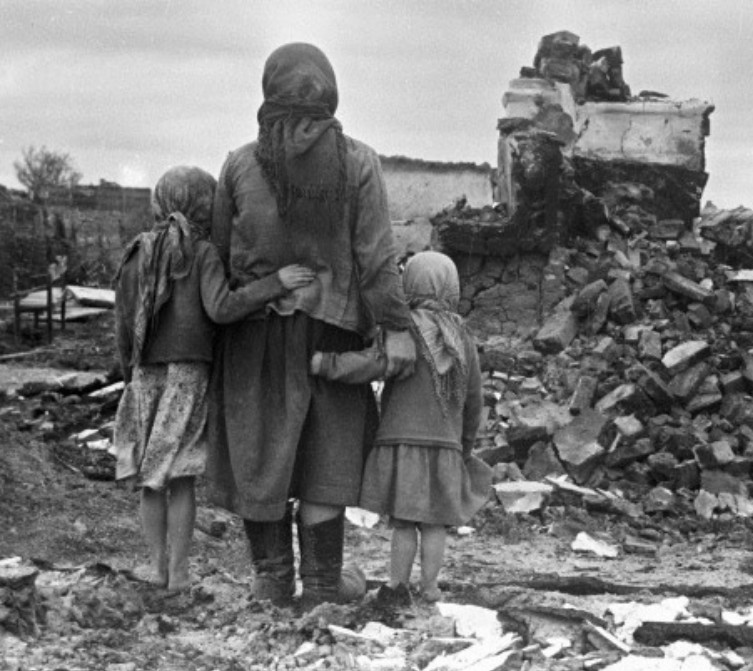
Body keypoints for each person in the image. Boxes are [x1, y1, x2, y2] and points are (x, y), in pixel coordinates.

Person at [208, 42, 417, 609]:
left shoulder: (237, 164)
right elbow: (376, 259)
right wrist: (395, 329)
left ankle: (271, 581)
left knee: (261, 458)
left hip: (253, 339)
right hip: (333, 339)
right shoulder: (358, 162)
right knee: (327, 464)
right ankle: (322, 588)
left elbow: (221, 259)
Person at [114, 166, 315, 592]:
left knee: (151, 478)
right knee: (181, 475)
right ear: (206, 204)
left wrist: (128, 373)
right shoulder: (202, 253)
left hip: (144, 376)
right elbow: (222, 308)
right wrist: (274, 284)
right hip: (188, 374)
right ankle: (182, 574)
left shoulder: (136, 253)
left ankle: (156, 568)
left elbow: (122, 323)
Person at [331, 251, 490, 605]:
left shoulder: (400, 332)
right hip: (444, 445)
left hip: (400, 442)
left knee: (403, 523)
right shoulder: (462, 338)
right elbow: (473, 400)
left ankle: (397, 584)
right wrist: (463, 446)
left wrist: (329, 364)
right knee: (435, 524)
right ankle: (430, 587)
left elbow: (374, 366)